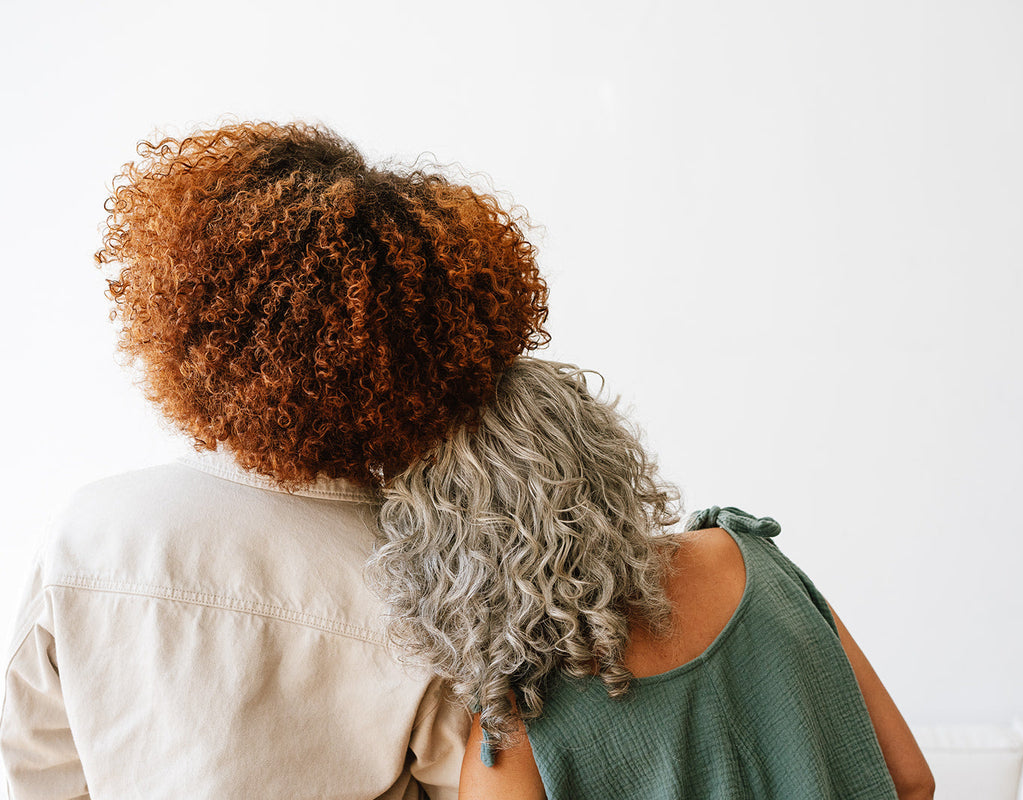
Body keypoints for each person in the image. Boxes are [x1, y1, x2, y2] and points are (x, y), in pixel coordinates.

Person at [0, 121, 549, 798]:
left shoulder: (92, 531)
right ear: (429, 359)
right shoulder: (430, 581)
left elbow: (34, 772)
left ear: (195, 319)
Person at [369, 358, 936, 799]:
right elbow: (912, 782)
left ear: (452, 549)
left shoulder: (524, 714)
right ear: (604, 452)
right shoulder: (752, 558)